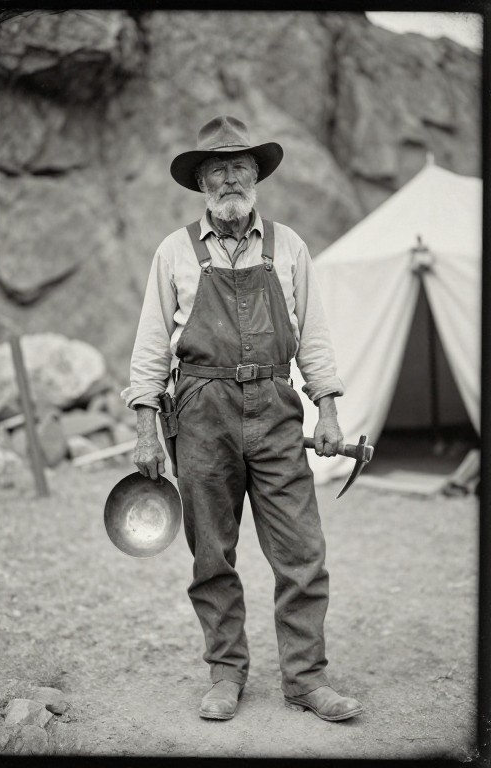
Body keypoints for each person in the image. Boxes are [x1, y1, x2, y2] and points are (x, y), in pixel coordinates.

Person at [121, 115, 363, 723]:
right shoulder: (174, 251)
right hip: (201, 413)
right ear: (202, 182)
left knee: (302, 552)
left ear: (256, 176)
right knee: (211, 556)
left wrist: (328, 410)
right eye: (218, 170)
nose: (230, 179)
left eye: (239, 168)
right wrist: (146, 428)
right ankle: (225, 674)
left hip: (278, 409)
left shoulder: (289, 246)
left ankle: (306, 680)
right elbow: (151, 346)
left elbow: (314, 336)